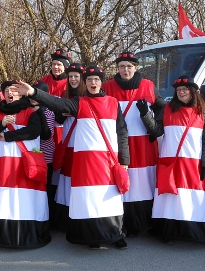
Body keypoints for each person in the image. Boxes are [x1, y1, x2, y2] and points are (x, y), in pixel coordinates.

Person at [15, 66, 130, 250]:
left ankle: (116, 234)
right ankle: (91, 236)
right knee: (89, 198)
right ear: (85, 83)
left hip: (109, 160)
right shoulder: (79, 102)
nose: (93, 83)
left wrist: (124, 160)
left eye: (96, 80)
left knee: (111, 198)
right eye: (90, 80)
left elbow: (122, 132)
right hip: (86, 162)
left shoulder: (113, 102)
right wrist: (33, 92)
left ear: (102, 82)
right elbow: (56, 103)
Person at [138, 75, 205, 244]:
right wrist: (145, 114)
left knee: (190, 198)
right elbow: (157, 131)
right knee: (170, 199)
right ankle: (167, 233)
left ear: (193, 92)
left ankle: (191, 234)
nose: (181, 93)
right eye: (178, 90)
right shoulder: (167, 109)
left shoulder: (204, 111)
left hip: (193, 163)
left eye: (185, 90)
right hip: (170, 162)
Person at [0, 79, 50, 249]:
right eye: (7, 91)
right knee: (3, 198)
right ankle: (1, 236)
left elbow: (35, 131)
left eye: (15, 90)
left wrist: (9, 136)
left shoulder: (30, 111)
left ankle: (27, 236)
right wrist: (2, 124)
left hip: (24, 164)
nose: (11, 94)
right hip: (2, 166)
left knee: (25, 198)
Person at [103, 51, 166, 237]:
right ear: (117, 68)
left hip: (144, 144)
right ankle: (121, 221)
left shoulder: (148, 86)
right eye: (122, 67)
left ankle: (143, 223)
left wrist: (154, 126)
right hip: (118, 143)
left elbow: (162, 107)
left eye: (129, 66)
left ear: (135, 67)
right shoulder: (107, 87)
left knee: (143, 182)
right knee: (121, 180)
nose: (125, 70)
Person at [52, 62, 86, 231]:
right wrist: (63, 113)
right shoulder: (64, 95)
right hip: (68, 140)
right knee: (67, 175)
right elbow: (57, 119)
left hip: (82, 141)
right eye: (70, 76)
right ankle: (65, 218)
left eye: (76, 77)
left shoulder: (87, 96)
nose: (73, 79)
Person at [30, 80, 55, 231]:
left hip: (46, 157)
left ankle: (47, 221)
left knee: (46, 189)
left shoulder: (49, 112)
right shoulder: (26, 109)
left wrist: (39, 113)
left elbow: (47, 135)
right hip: (30, 156)